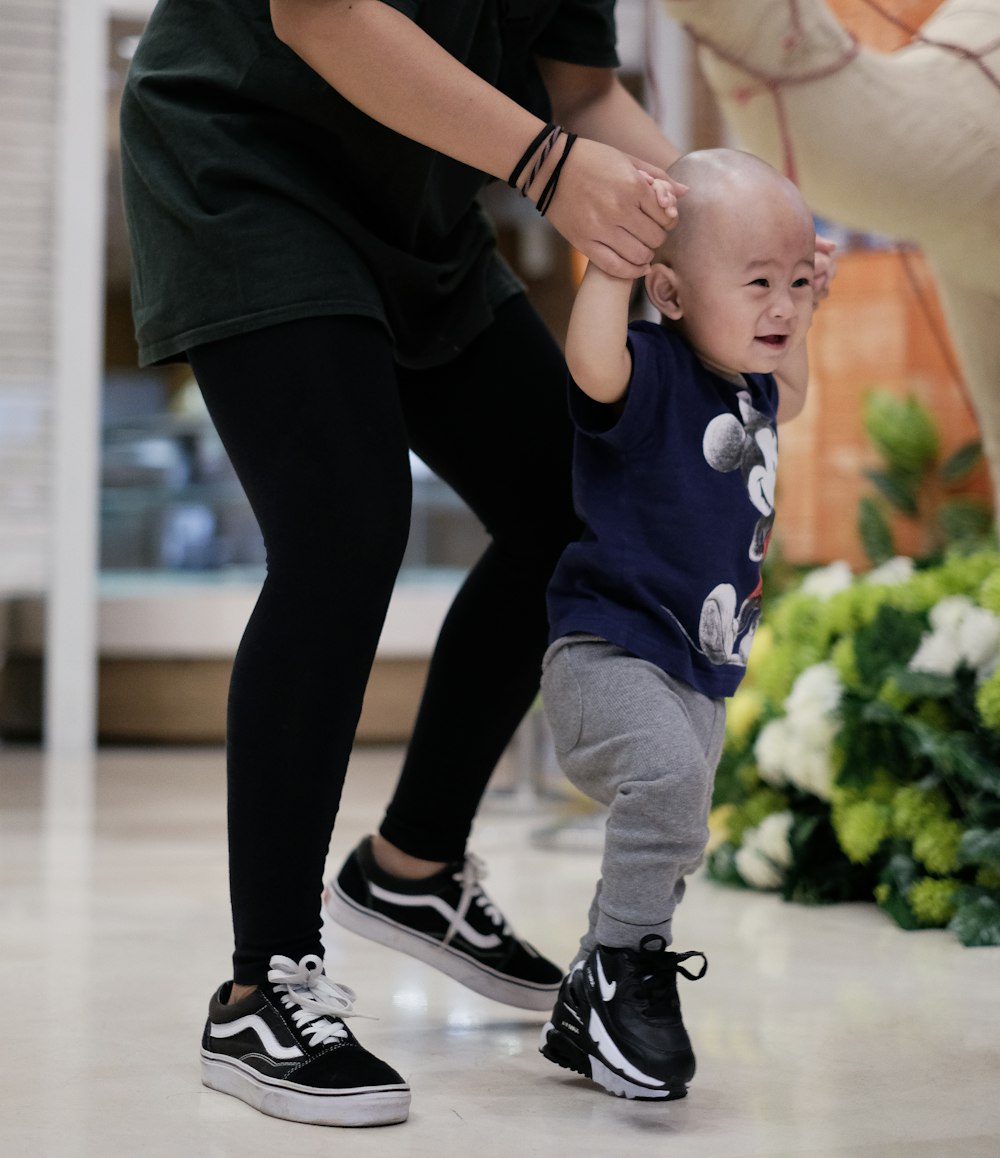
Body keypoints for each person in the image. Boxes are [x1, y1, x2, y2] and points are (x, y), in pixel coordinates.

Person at [118, 0, 689, 1130]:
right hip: (246, 161)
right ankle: (259, 985)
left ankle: (410, 864)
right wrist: (548, 166)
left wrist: (719, 223)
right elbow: (320, 12)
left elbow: (576, 89)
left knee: (575, 511)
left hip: (417, 212)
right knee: (342, 526)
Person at [537, 148, 820, 1102]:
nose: (782, 308)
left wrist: (802, 310)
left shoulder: (756, 387)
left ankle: (595, 983)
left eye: (796, 283)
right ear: (670, 288)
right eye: (758, 285)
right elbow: (590, 360)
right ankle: (623, 975)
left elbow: (801, 390)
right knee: (662, 783)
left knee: (678, 829)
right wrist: (610, 270)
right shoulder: (653, 369)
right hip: (610, 654)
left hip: (696, 670)